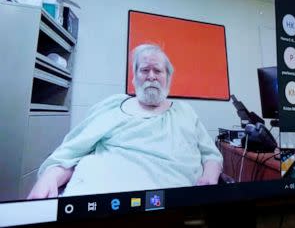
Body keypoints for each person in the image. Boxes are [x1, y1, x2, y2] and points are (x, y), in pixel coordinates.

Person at [28, 44, 223, 199]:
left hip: (171, 205)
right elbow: (70, 153)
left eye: (158, 70)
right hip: (101, 204)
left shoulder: (185, 112)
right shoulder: (112, 107)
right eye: (145, 70)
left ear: (168, 77)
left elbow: (211, 155)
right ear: (134, 78)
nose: (151, 76)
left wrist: (209, 177)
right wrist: (50, 177)